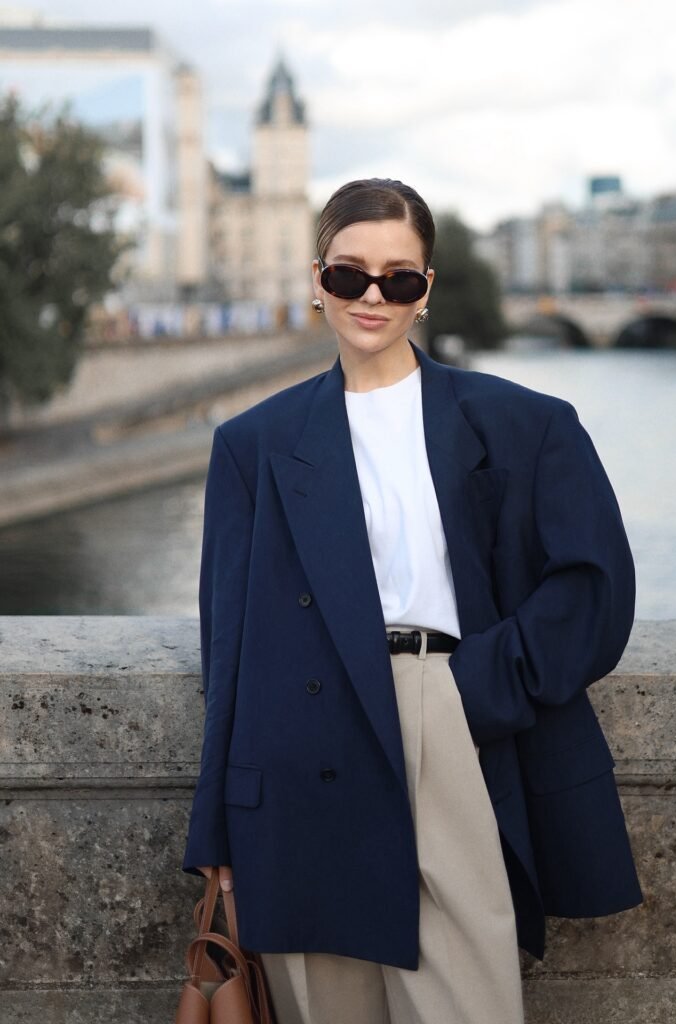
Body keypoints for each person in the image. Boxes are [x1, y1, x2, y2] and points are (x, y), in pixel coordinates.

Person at [183, 178, 642, 1024]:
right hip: (299, 756)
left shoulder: (528, 423)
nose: (371, 297)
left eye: (399, 278)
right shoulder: (252, 445)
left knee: (470, 1002)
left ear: (426, 291)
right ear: (316, 279)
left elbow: (595, 590)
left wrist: (465, 692)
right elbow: (231, 648)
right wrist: (216, 837)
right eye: (349, 274)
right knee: (330, 1006)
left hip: (450, 718)